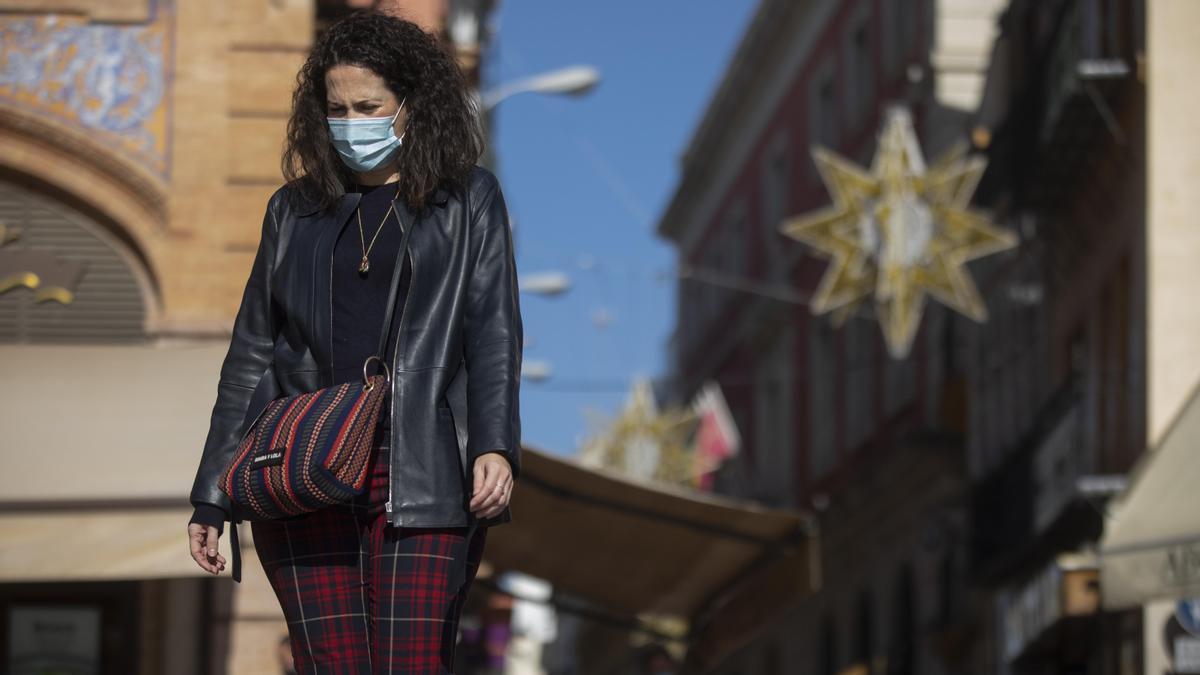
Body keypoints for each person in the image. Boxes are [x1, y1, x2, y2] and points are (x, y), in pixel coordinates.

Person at [185, 10, 522, 673]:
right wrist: (211, 492)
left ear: (411, 107)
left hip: (422, 467)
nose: (352, 123)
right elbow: (250, 352)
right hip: (300, 464)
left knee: (411, 661)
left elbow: (493, 332)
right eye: (337, 108)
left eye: (368, 106)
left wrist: (494, 444)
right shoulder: (292, 211)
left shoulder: (468, 200)